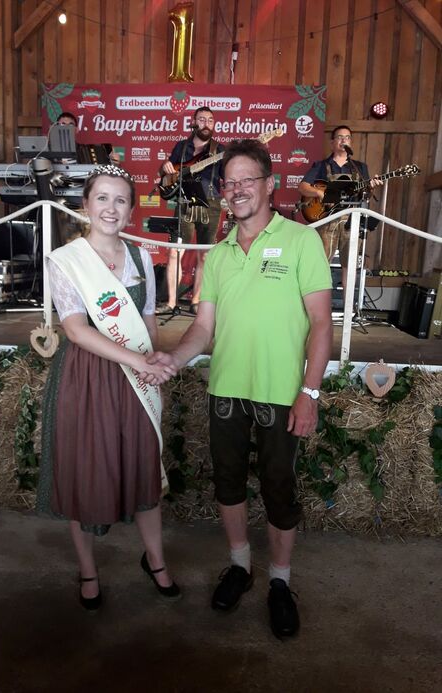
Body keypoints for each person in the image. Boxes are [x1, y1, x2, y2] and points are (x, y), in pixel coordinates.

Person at [148, 139, 333, 638]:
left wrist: (310, 393)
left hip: (281, 392)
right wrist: (173, 358)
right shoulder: (219, 255)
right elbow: (203, 328)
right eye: (229, 183)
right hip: (226, 389)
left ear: (269, 185)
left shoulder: (301, 241)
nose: (237, 190)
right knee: (228, 483)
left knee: (279, 489)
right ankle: (240, 565)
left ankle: (280, 581)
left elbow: (321, 324)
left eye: (247, 179)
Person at [36, 164, 180, 611]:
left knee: (144, 465)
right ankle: (88, 570)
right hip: (87, 379)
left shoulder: (141, 258)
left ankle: (155, 559)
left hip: (136, 378)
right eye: (102, 198)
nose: (111, 208)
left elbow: (149, 322)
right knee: (84, 472)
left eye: (120, 200)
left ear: (132, 209)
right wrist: (139, 362)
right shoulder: (67, 260)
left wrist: (153, 362)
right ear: (85, 205)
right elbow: (76, 330)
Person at [298, 125, 383, 293]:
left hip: (351, 221)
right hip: (327, 219)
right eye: (340, 137)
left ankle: (347, 307)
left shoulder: (360, 168)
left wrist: (371, 186)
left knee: (349, 267)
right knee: (321, 264)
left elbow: (365, 194)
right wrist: (319, 192)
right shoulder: (321, 165)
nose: (344, 140)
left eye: (347, 137)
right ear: (332, 143)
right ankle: (319, 305)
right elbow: (302, 187)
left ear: (351, 142)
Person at [158, 106, 224, 314]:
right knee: (174, 252)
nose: (206, 124)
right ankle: (171, 302)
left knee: (204, 255)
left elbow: (229, 176)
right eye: (202, 119)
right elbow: (168, 172)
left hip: (210, 203)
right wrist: (165, 167)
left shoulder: (220, 150)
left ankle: (196, 301)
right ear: (194, 122)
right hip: (184, 201)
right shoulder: (182, 146)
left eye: (210, 120)